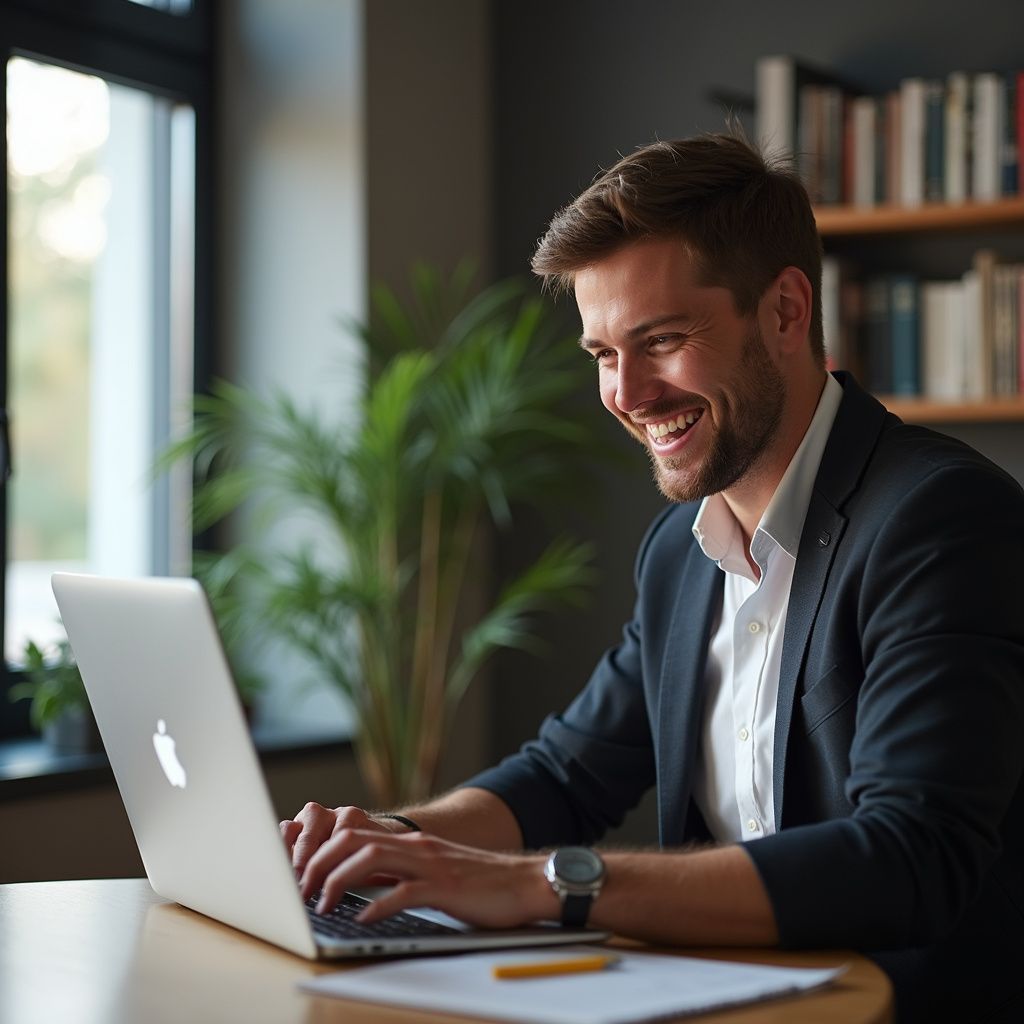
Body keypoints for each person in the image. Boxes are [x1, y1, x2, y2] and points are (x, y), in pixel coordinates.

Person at [281, 133, 1024, 1023]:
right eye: (602, 354)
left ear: (786, 311)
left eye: (662, 340)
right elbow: (567, 775)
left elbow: (909, 858)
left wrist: (539, 886)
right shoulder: (680, 551)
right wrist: (384, 843)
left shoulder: (940, 520)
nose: (628, 393)